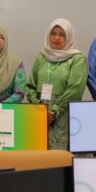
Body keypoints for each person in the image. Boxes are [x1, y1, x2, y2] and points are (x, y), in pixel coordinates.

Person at [25, 18, 88, 150]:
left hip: (63, 114)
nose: (56, 38)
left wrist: (53, 111)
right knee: (38, 155)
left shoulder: (77, 58)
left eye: (62, 35)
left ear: (69, 37)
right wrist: (40, 108)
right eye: (53, 33)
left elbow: (75, 89)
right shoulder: (41, 56)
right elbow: (30, 85)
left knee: (60, 156)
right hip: (40, 114)